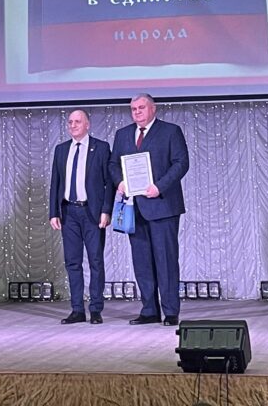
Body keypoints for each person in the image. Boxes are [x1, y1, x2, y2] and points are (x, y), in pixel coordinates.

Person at [109, 94, 189, 326]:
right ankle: (149, 310)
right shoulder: (123, 134)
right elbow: (113, 164)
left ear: (153, 109)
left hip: (163, 205)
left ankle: (170, 311)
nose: (137, 112)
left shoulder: (170, 131)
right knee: (142, 261)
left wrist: (159, 187)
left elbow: (181, 163)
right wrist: (120, 183)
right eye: (133, 109)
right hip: (135, 208)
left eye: (141, 107)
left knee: (166, 260)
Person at [48, 109, 112, 325]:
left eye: (77, 121)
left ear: (87, 125)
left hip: (92, 213)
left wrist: (106, 210)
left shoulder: (101, 148)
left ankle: (95, 309)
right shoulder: (61, 150)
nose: (73, 125)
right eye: (70, 122)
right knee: (72, 262)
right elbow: (55, 183)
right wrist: (54, 212)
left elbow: (109, 183)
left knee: (95, 261)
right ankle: (77, 309)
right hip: (69, 213)